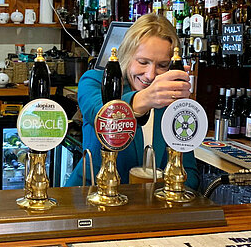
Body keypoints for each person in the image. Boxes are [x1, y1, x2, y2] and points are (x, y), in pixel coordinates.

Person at [66, 14, 199, 189]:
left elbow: (189, 171)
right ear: (127, 56)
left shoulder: (171, 102)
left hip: (149, 208)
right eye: (143, 62)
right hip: (91, 197)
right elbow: (101, 114)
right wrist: (147, 98)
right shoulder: (95, 81)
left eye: (163, 65)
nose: (151, 75)